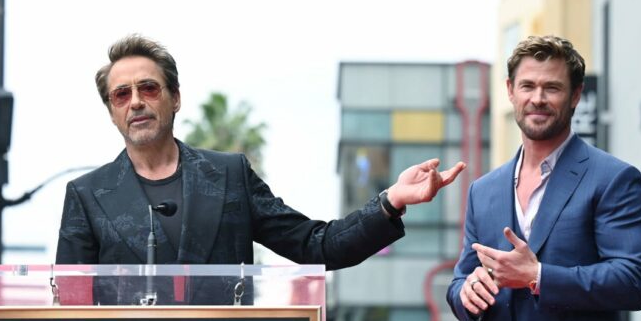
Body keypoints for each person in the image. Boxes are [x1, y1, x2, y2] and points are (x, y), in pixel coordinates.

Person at [55, 34, 465, 302]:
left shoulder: (229, 175)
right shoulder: (88, 196)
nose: (136, 102)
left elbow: (316, 245)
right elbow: (69, 309)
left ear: (175, 98)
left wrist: (390, 202)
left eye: (148, 88)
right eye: (121, 95)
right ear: (111, 112)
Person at [446, 35, 641, 321]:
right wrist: (467, 292)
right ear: (510, 91)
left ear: (575, 96)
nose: (537, 98)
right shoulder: (484, 191)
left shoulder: (613, 178)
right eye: (527, 85)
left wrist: (538, 275)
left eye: (552, 87)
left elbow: (632, 280)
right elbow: (460, 280)